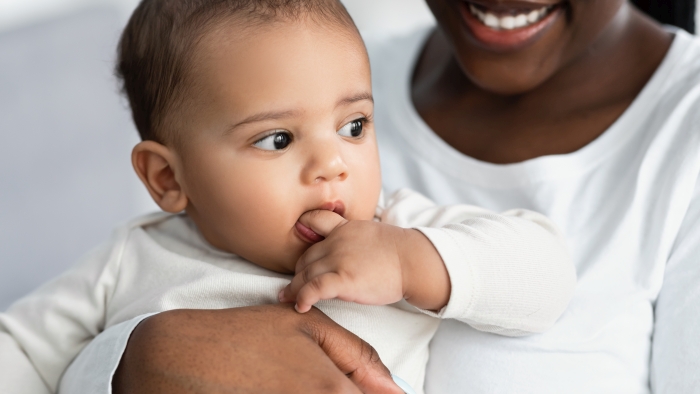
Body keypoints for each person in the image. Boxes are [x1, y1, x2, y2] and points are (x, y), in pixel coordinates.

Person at [71, 0, 699, 392]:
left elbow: (544, 267)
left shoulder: (389, 221)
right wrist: (128, 363)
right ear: (167, 181)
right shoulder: (131, 253)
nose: (332, 165)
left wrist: (411, 261)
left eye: (354, 129)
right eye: (278, 139)